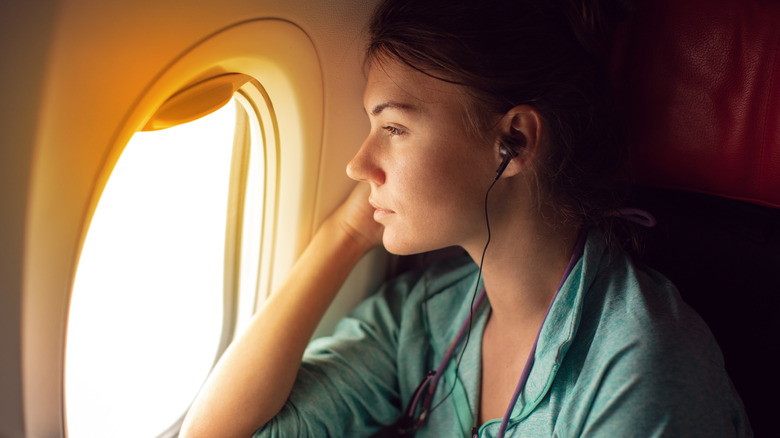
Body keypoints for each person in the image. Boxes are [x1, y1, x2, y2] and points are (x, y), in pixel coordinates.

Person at [180, 0, 752, 436]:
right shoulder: (435, 314)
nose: (359, 164)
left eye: (395, 129)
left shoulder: (640, 369)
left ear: (514, 140)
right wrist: (345, 233)